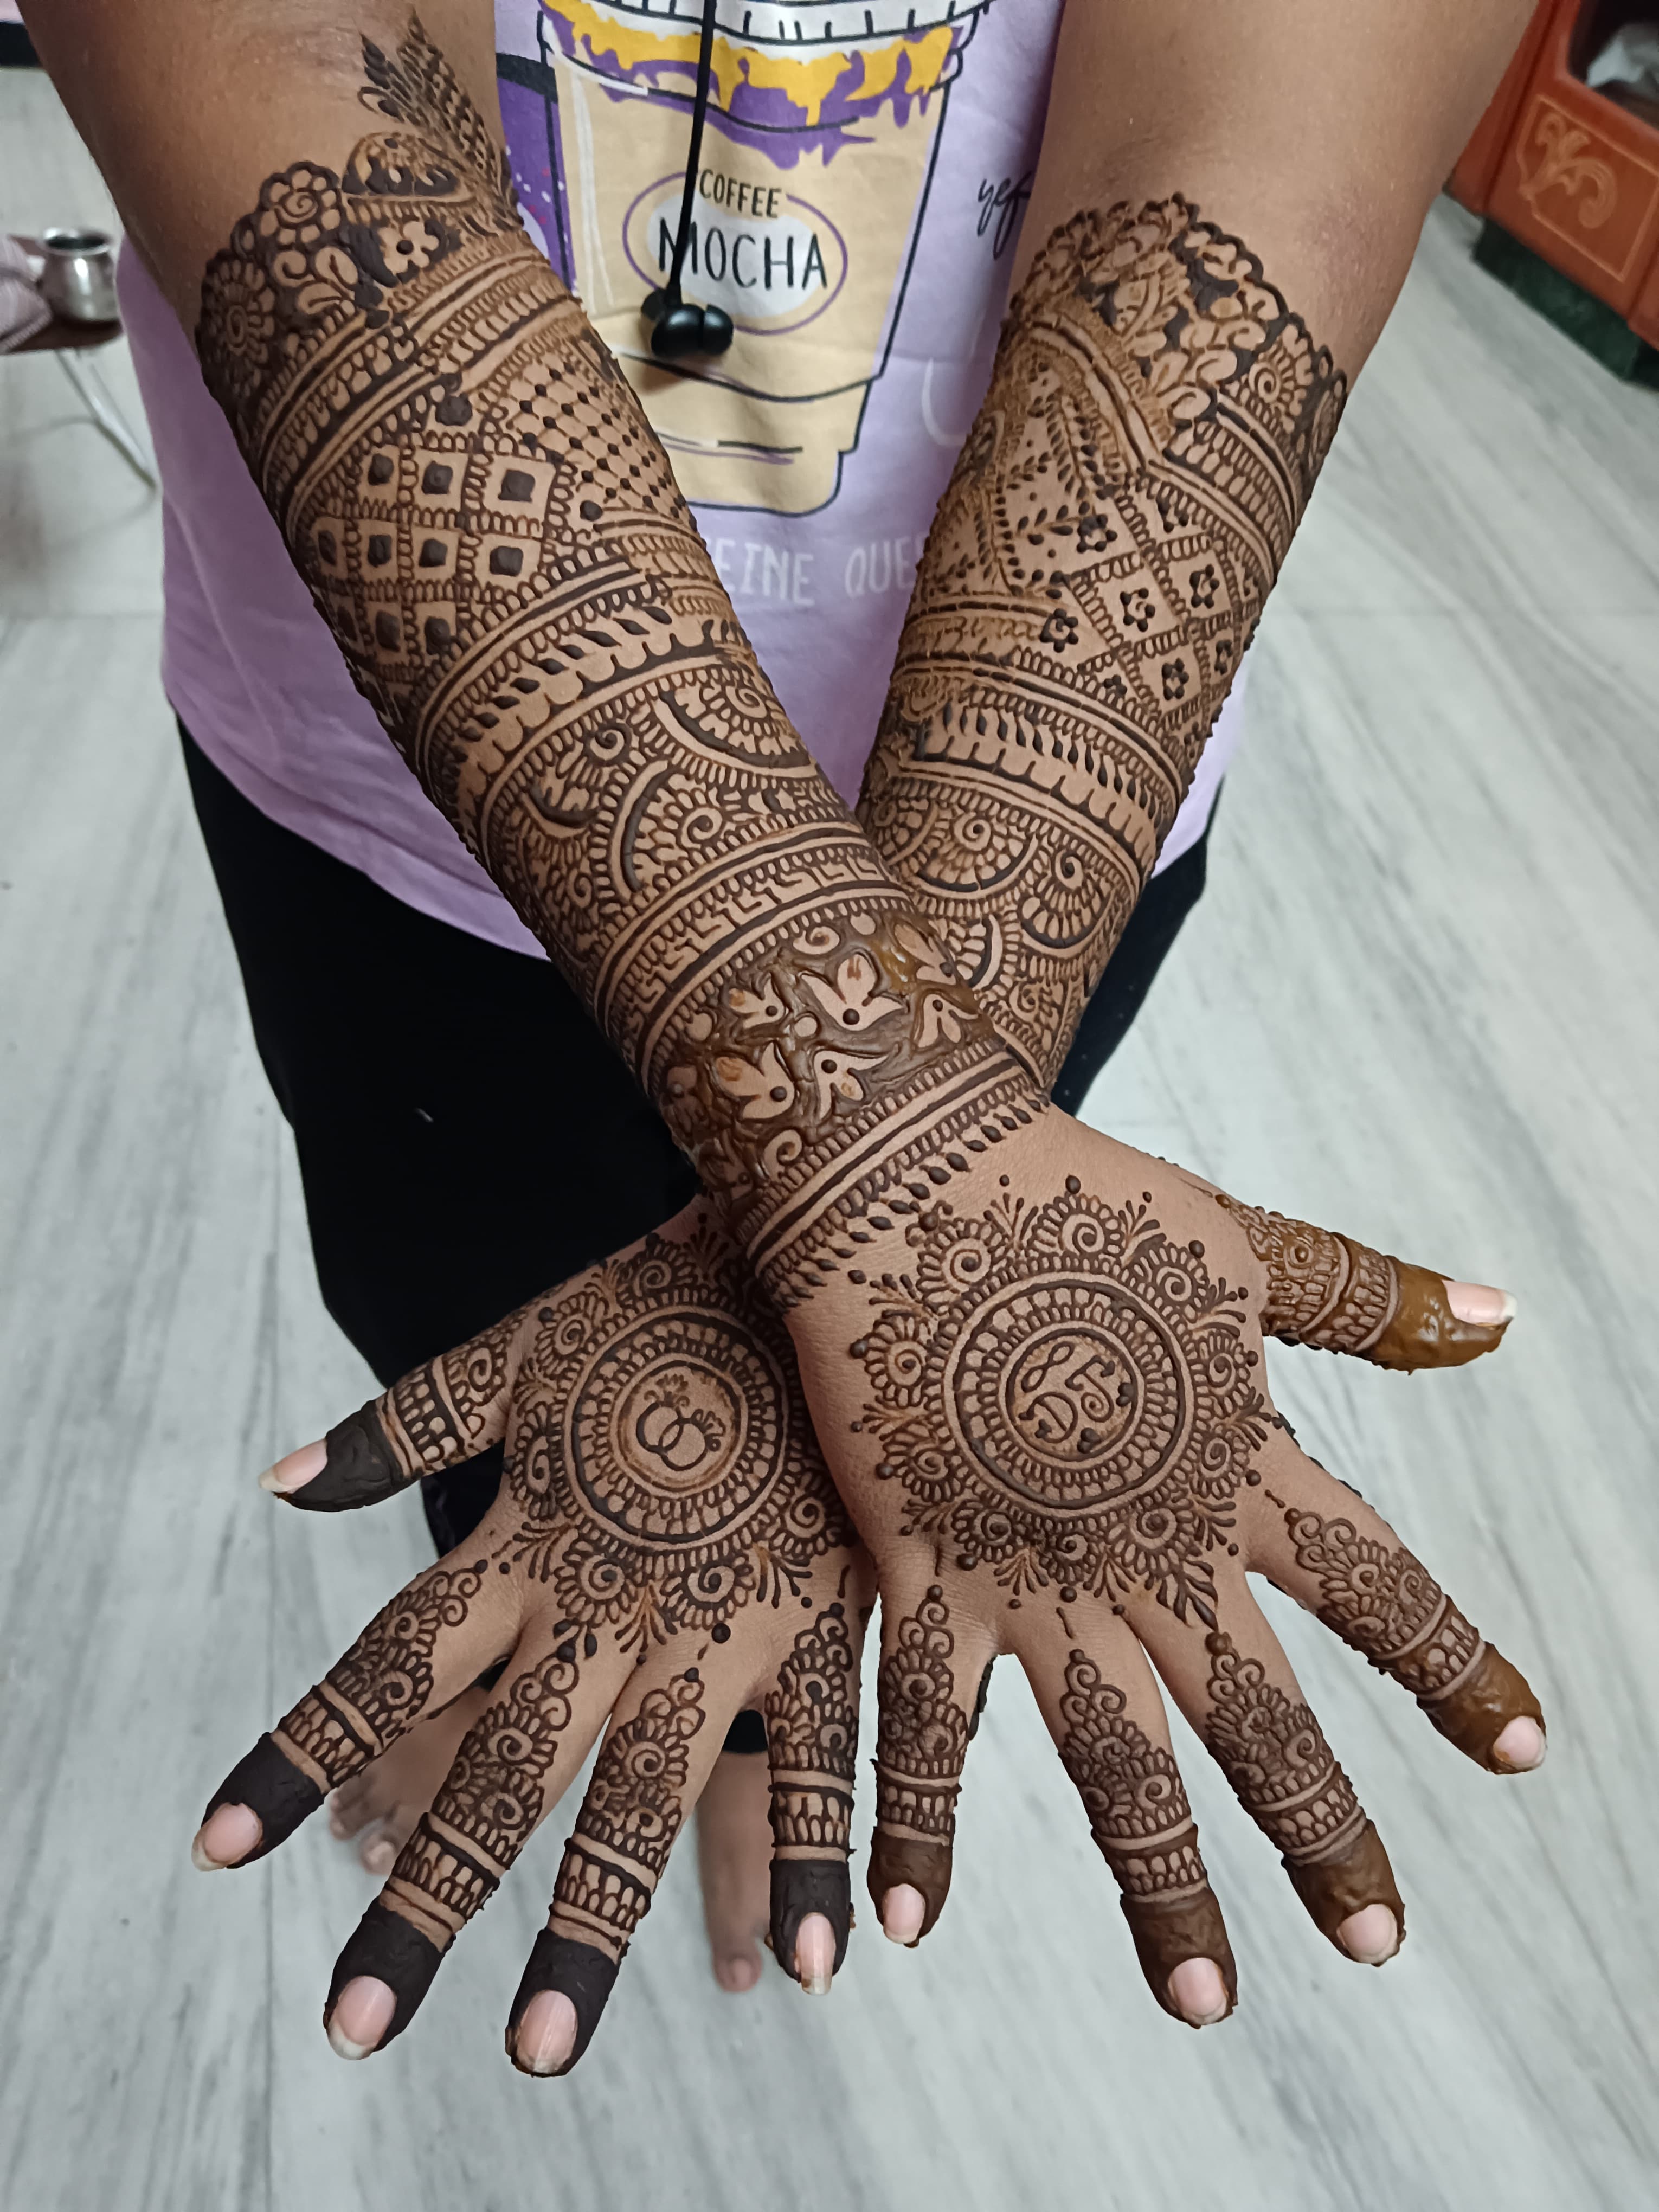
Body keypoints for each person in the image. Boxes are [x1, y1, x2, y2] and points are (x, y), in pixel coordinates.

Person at [29, 0, 1546, 2080]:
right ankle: (572, 1613)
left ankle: (742, 1692)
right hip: (402, 793)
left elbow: (1242, 150)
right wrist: (885, 1150)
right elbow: (298, 85)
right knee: (473, 1328)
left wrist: (881, 1170)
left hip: (1049, 802)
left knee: (825, 1391)